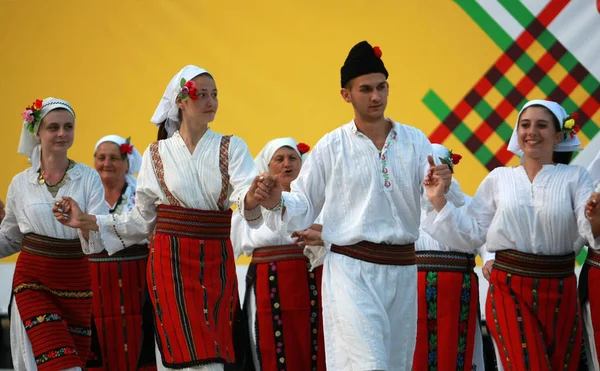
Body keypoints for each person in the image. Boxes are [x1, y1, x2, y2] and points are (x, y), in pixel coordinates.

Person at [247, 41, 456, 370]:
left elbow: (429, 192)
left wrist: (437, 185)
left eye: (382, 87)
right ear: (346, 94)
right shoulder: (332, 146)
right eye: (366, 89)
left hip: (402, 269)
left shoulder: (415, 140)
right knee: (368, 365)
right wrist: (277, 200)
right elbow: (303, 201)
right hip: (352, 271)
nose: (376, 97)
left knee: (396, 364)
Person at [54, 65, 261, 371]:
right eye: (201, 94)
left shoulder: (232, 146)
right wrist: (85, 221)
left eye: (214, 94)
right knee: (177, 349)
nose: (210, 101)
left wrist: (256, 195)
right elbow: (141, 221)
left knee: (214, 345)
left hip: (214, 259)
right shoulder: (156, 154)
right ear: (181, 101)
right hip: (169, 260)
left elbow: (244, 194)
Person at [422, 99, 600, 370]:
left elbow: (587, 233)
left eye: (542, 125)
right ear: (517, 134)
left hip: (559, 289)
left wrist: (594, 219)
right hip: (509, 288)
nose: (532, 132)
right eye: (525, 125)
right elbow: (472, 233)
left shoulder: (575, 178)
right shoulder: (499, 178)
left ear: (558, 135)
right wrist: (438, 202)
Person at [1, 97, 107, 370]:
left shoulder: (88, 178)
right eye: (53, 127)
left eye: (68, 126)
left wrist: (82, 220)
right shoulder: (20, 183)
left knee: (72, 360)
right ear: (37, 132)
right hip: (32, 281)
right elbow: (11, 237)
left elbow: (99, 237)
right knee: (58, 363)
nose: (62, 133)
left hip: (75, 281)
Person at [231, 137, 326, 371]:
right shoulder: (252, 206)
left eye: (293, 158)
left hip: (314, 283)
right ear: (267, 166)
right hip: (268, 284)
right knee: (271, 350)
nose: (287, 164)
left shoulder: (318, 203)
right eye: (279, 159)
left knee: (317, 347)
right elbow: (226, 249)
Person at [412, 144, 484, 371]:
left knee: (455, 349)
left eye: (440, 169)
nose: (433, 175)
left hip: (457, 288)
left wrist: (490, 258)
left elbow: (485, 238)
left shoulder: (469, 203)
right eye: (428, 170)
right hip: (413, 287)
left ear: (451, 170)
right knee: (415, 348)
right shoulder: (408, 206)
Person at [88, 135, 156, 370]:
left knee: (136, 334)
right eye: (101, 157)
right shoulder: (87, 193)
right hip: (94, 277)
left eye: (114, 158)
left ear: (127, 163)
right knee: (98, 335)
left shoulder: (141, 194)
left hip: (135, 275)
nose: (107, 163)